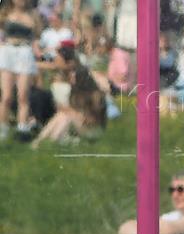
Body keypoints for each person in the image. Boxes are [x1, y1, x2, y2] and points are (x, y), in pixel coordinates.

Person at [30, 47, 106, 147]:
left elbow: (94, 120)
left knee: (65, 115)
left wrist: (73, 113)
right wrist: (71, 112)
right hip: (78, 124)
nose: (71, 78)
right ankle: (43, 141)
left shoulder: (95, 95)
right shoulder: (76, 92)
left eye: (74, 76)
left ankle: (45, 141)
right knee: (63, 115)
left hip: (93, 130)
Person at [0, 0, 41, 141]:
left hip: (25, 52)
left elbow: (37, 37)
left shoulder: (33, 15)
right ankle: (3, 128)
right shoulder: (5, 13)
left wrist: (38, 51)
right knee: (6, 96)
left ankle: (22, 129)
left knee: (23, 95)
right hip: (8, 51)